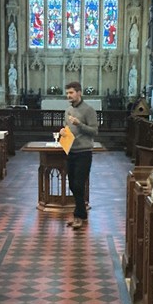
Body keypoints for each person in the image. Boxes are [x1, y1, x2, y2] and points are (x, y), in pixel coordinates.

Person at [60, 81, 98, 230]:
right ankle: (81, 214)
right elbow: (68, 129)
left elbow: (94, 131)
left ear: (79, 92)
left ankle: (79, 216)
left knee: (78, 185)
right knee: (72, 184)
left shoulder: (88, 110)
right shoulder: (68, 110)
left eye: (71, 92)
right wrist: (63, 131)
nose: (68, 96)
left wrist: (79, 124)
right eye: (67, 93)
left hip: (84, 152)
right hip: (71, 151)